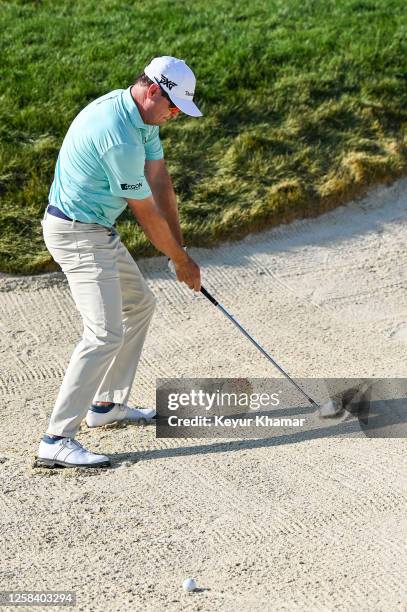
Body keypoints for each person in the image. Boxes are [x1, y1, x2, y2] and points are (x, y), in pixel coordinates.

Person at [36, 56, 202, 469]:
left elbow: (160, 179)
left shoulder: (141, 120)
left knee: (140, 303)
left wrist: (179, 252)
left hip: (98, 230)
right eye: (174, 107)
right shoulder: (118, 136)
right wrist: (181, 263)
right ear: (152, 91)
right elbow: (146, 213)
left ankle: (107, 405)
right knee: (104, 333)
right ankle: (56, 439)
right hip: (76, 233)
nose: (175, 115)